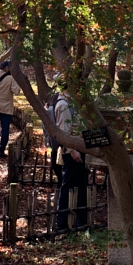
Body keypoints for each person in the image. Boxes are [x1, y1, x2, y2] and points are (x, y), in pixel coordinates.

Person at [49, 87, 87, 231]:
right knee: (68, 185)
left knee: (80, 185)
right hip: (72, 151)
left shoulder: (70, 102)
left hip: (78, 148)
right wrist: (72, 151)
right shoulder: (64, 105)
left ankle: (80, 220)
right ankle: (62, 222)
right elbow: (64, 131)